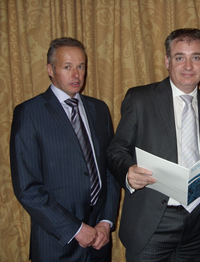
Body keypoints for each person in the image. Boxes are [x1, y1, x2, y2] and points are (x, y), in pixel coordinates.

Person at [107, 28, 200, 262]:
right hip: (151, 223)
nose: (188, 66)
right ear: (167, 61)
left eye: (195, 57)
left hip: (198, 225)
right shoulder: (140, 99)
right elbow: (116, 150)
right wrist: (128, 173)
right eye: (180, 57)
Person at [10, 37, 120, 262]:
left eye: (81, 66)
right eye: (67, 67)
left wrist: (105, 222)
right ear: (50, 69)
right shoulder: (29, 113)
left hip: (99, 242)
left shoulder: (98, 109)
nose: (76, 74)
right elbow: (27, 188)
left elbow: (110, 171)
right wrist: (76, 229)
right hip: (57, 243)